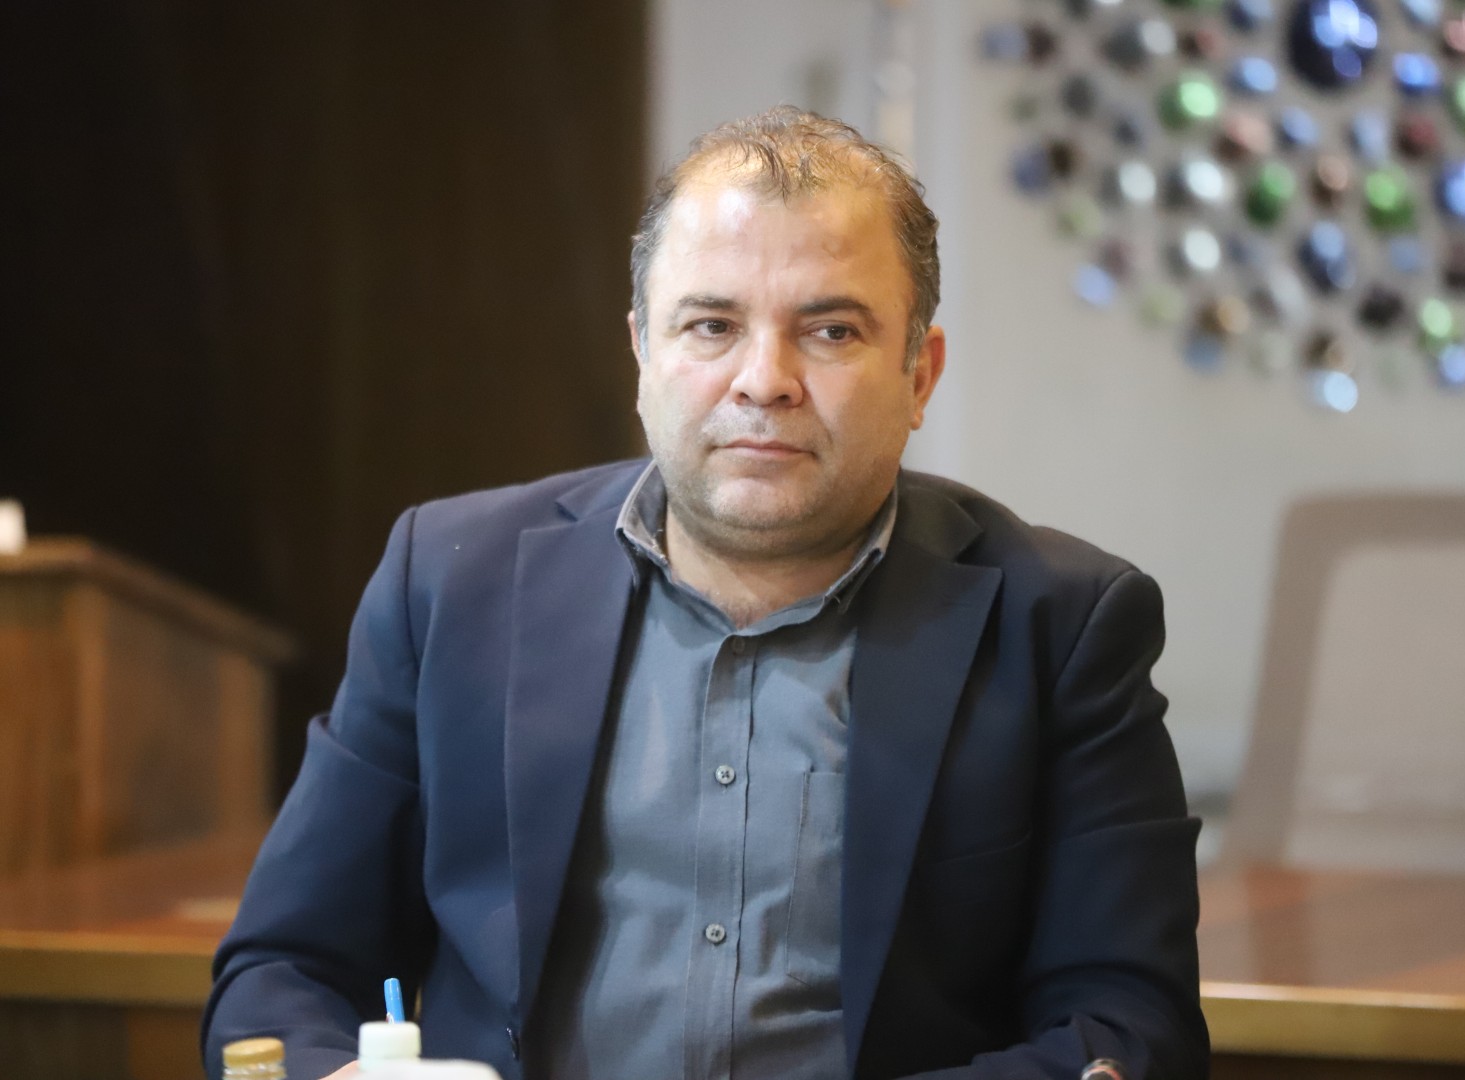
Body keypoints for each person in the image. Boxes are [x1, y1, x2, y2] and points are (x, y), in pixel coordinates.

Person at [203, 106, 1208, 1080]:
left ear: (920, 374)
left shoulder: (1063, 626)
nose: (764, 380)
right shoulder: (451, 582)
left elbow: (1128, 1025)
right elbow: (284, 971)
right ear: (643, 351)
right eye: (712, 324)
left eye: (832, 331)